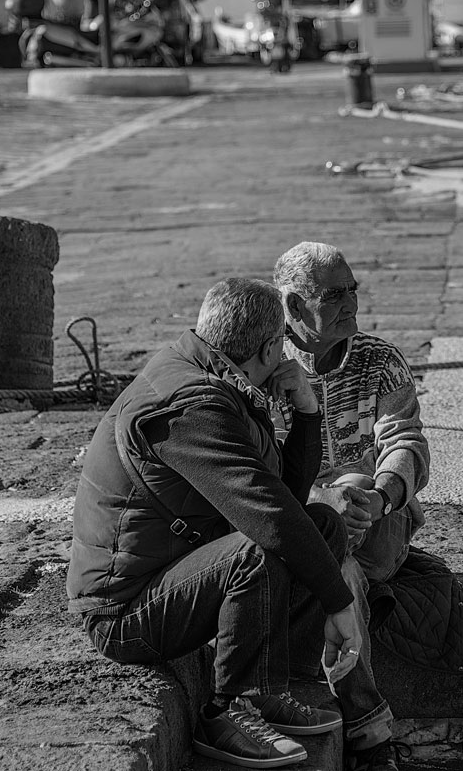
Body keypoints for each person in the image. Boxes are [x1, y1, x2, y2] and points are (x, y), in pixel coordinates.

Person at [66, 278, 362, 769]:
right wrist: (340, 603)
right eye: (283, 344)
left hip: (167, 578)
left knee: (322, 526)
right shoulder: (190, 406)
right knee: (257, 551)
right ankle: (226, 710)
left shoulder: (210, 375)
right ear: (269, 348)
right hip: (122, 614)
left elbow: (285, 500)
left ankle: (271, 689)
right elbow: (268, 514)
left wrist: (308, 413)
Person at [273, 241, 431, 770]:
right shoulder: (270, 368)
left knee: (356, 488)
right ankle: (370, 733)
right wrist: (323, 501)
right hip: (311, 528)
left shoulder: (379, 360)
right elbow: (256, 469)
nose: (351, 303)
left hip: (379, 522)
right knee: (340, 571)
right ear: (295, 306)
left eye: (353, 290)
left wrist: (380, 496)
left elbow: (407, 442)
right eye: (335, 295)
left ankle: (356, 726)